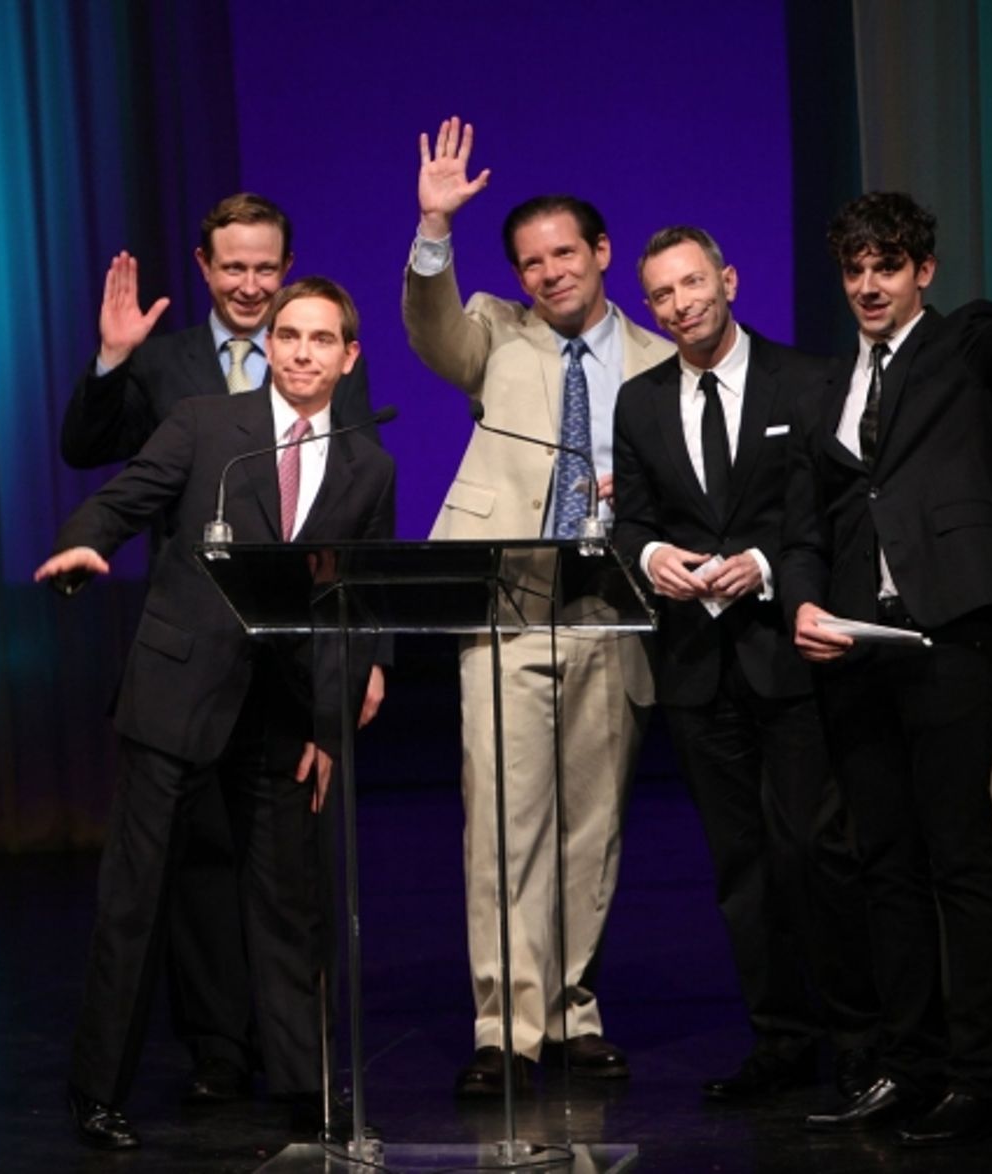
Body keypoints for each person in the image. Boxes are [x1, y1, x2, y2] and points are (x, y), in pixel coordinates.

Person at [785, 108, 992, 1146]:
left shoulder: (967, 342)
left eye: (886, 266)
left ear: (921, 269)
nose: (868, 285)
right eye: (853, 270)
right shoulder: (828, 384)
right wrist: (800, 600)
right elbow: (809, 519)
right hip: (851, 645)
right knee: (879, 861)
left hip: (947, 633)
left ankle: (978, 1076)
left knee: (955, 857)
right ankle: (904, 1062)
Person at [39, 278, 395, 1149]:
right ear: (268, 346)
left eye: (322, 339)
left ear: (350, 358)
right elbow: (127, 498)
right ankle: (96, 1091)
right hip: (175, 692)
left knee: (287, 904)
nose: (303, 352)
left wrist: (330, 717)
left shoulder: (367, 463)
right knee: (137, 896)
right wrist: (85, 540)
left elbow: (360, 600)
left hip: (279, 710)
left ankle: (307, 1092)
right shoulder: (208, 423)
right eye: (289, 335)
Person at [402, 117, 674, 1096]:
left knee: (589, 823)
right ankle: (503, 1026)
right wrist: (435, 227)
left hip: (611, 606)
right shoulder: (494, 333)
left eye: (566, 253)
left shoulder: (655, 355)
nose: (550, 272)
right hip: (508, 596)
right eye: (531, 261)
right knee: (504, 821)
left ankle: (570, 1011)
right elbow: (430, 330)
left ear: (601, 254)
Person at [612, 226, 877, 1102]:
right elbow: (631, 521)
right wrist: (656, 561)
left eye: (693, 284)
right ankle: (780, 1041)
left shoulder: (805, 380)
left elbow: (830, 515)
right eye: (662, 295)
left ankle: (860, 1039)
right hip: (695, 665)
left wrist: (762, 564)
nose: (682, 304)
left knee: (816, 851)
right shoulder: (640, 400)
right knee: (741, 865)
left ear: (728, 278)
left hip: (788, 655)